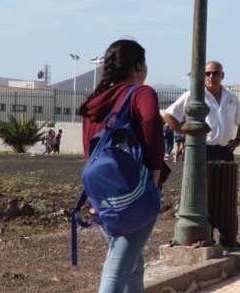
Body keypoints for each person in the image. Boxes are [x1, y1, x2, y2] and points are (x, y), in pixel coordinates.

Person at [78, 39, 168, 293]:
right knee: (117, 268)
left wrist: (95, 196)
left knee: (133, 264)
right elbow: (151, 119)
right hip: (135, 193)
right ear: (139, 65)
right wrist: (155, 171)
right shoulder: (141, 92)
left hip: (103, 197)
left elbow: (89, 152)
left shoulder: (95, 102)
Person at [163, 60, 240, 249]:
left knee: (227, 195)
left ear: (222, 75)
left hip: (225, 151)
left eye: (215, 73)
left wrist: (239, 138)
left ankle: (228, 239)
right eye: (208, 73)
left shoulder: (231, 97)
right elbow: (169, 115)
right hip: (203, 150)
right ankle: (205, 237)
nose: (212, 77)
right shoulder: (193, 96)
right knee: (205, 195)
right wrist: (183, 133)